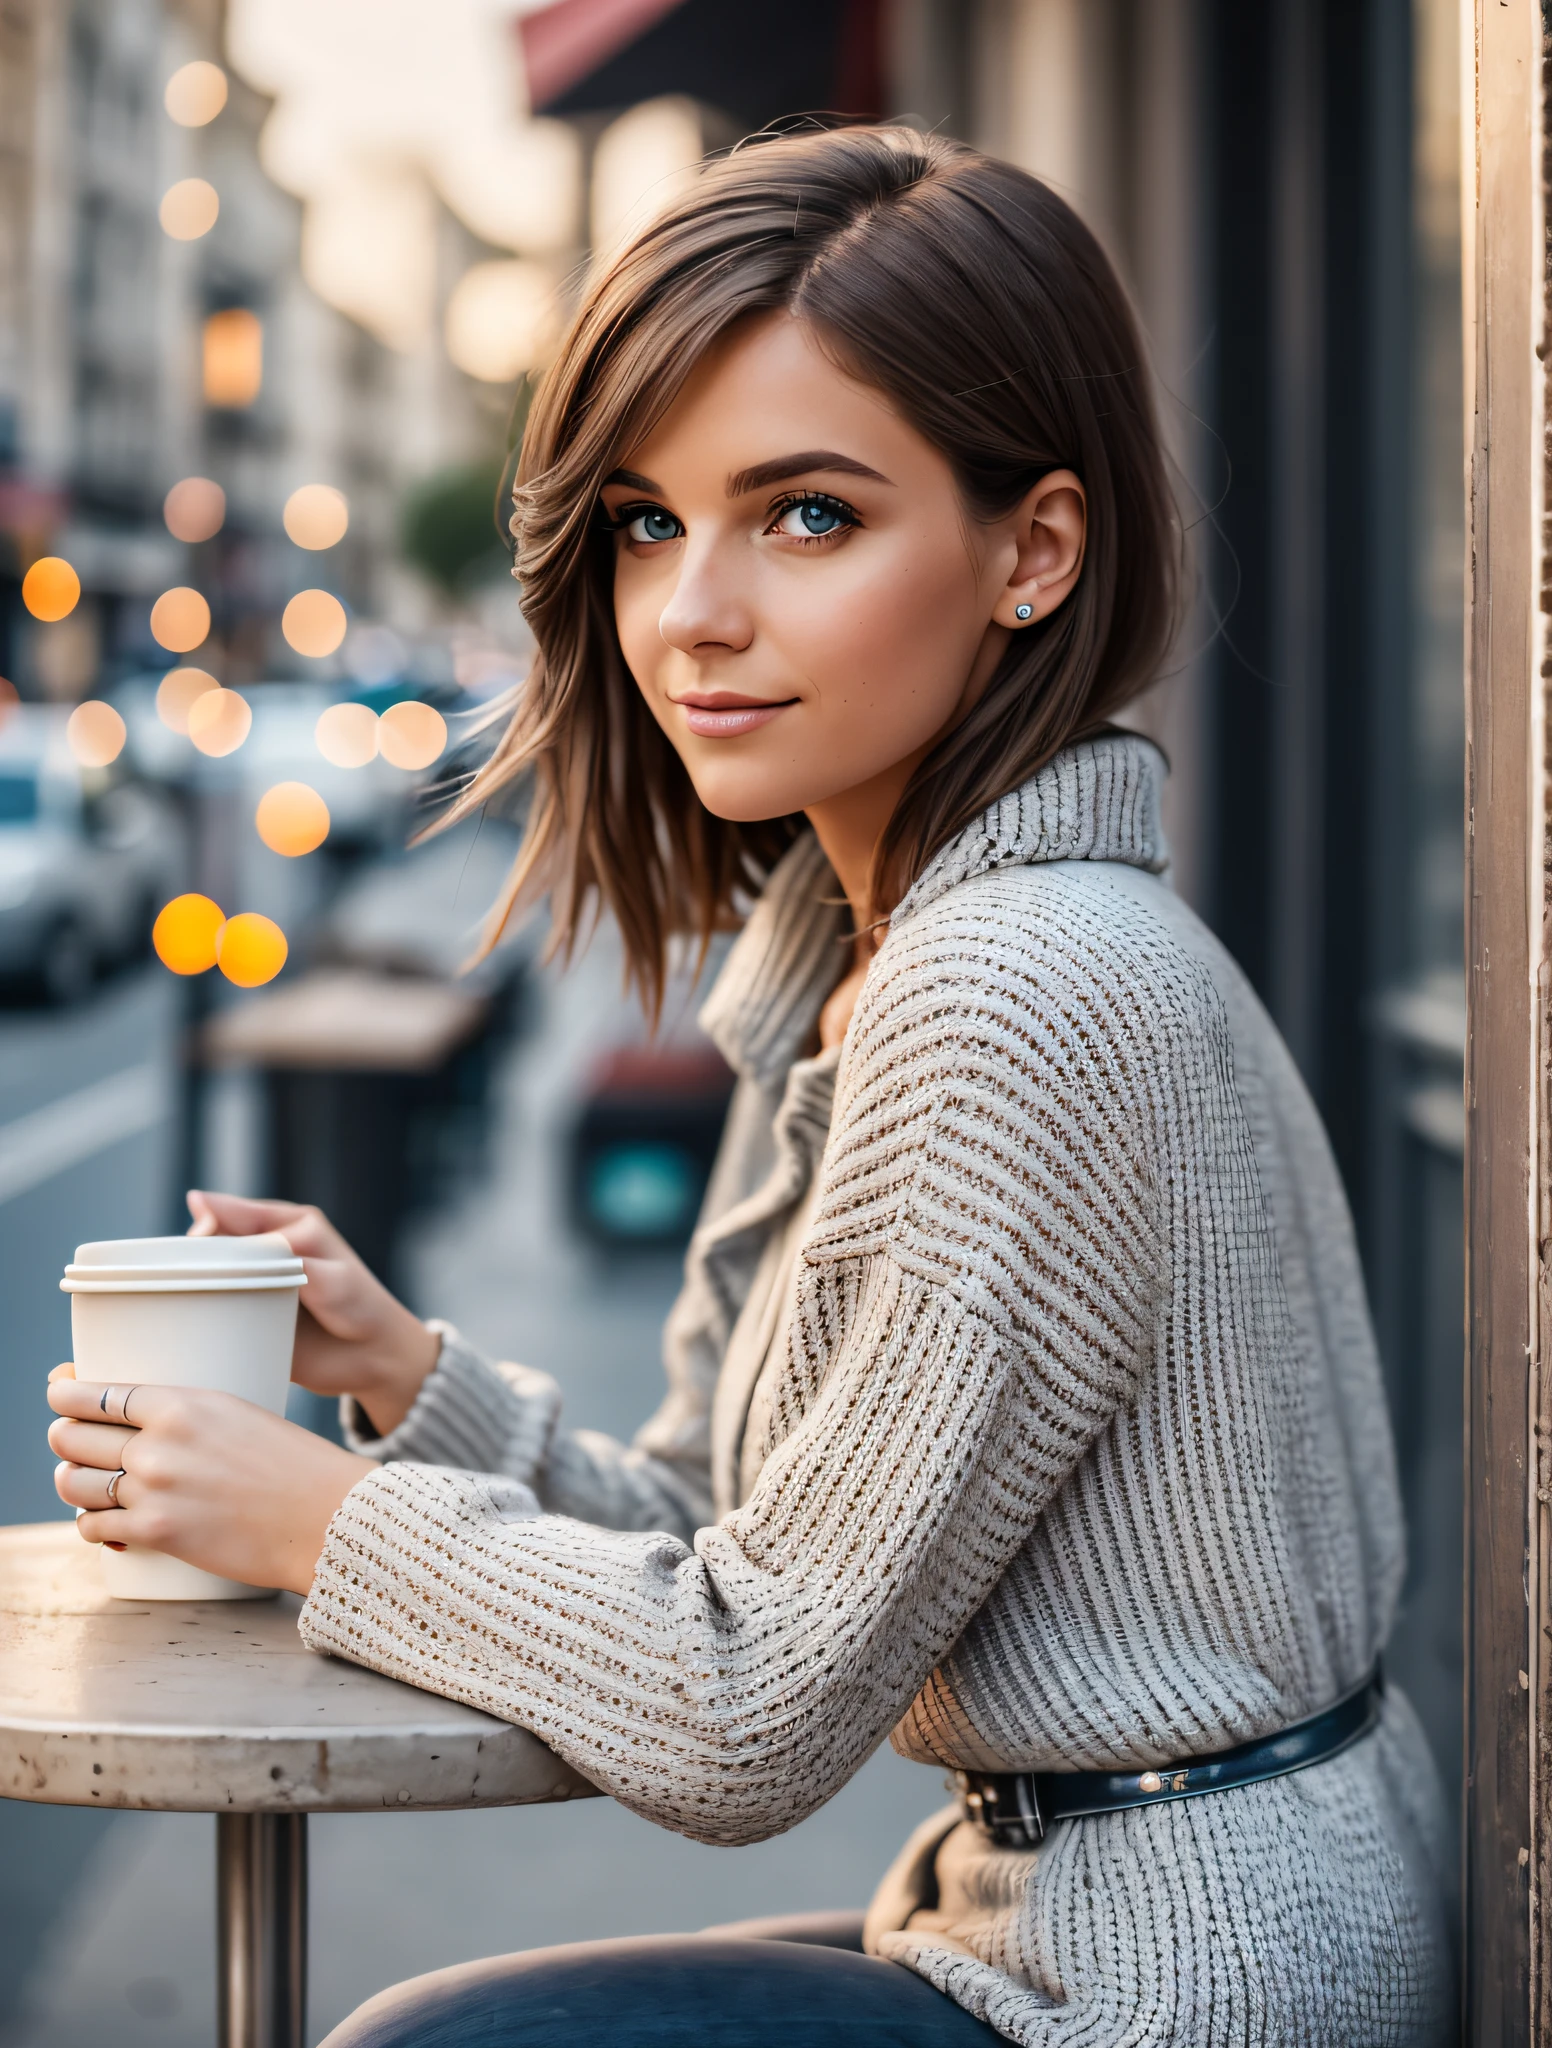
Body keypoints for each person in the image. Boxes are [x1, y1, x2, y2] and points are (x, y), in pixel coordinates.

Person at [47, 126, 1453, 2045]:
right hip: (1057, 1903)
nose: (689, 610)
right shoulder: (873, 953)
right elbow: (733, 1533)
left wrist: (317, 1520)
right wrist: (401, 1382)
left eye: (805, 515)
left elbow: (745, 1708)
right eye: (645, 519)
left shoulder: (1019, 994)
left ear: (1032, 550)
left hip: (1183, 1978)